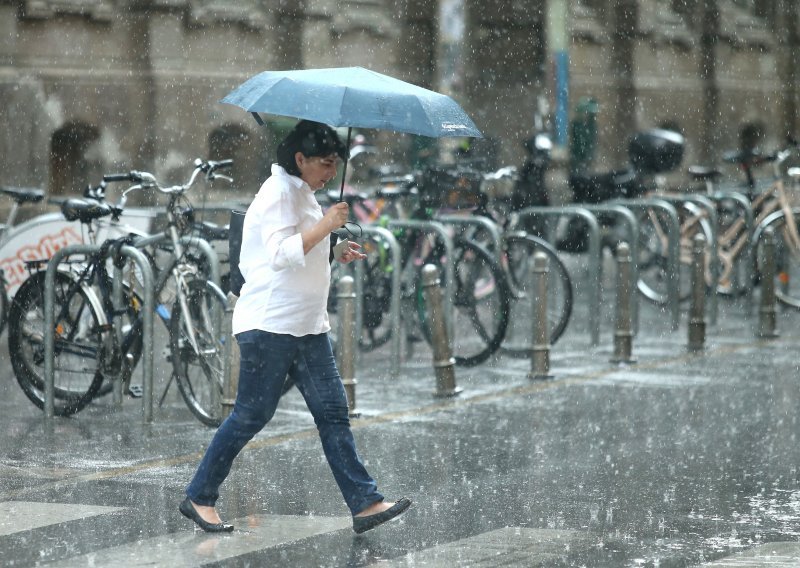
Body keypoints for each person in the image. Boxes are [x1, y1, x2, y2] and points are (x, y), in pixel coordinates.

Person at [179, 120, 411, 534]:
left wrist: (333, 249)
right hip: (271, 325)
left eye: (336, 164)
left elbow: (303, 248)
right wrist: (326, 226)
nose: (331, 173)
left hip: (307, 326)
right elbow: (281, 253)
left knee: (333, 412)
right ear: (300, 159)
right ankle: (200, 495)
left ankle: (365, 502)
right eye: (325, 164)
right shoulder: (278, 193)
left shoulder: (302, 192)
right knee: (251, 414)